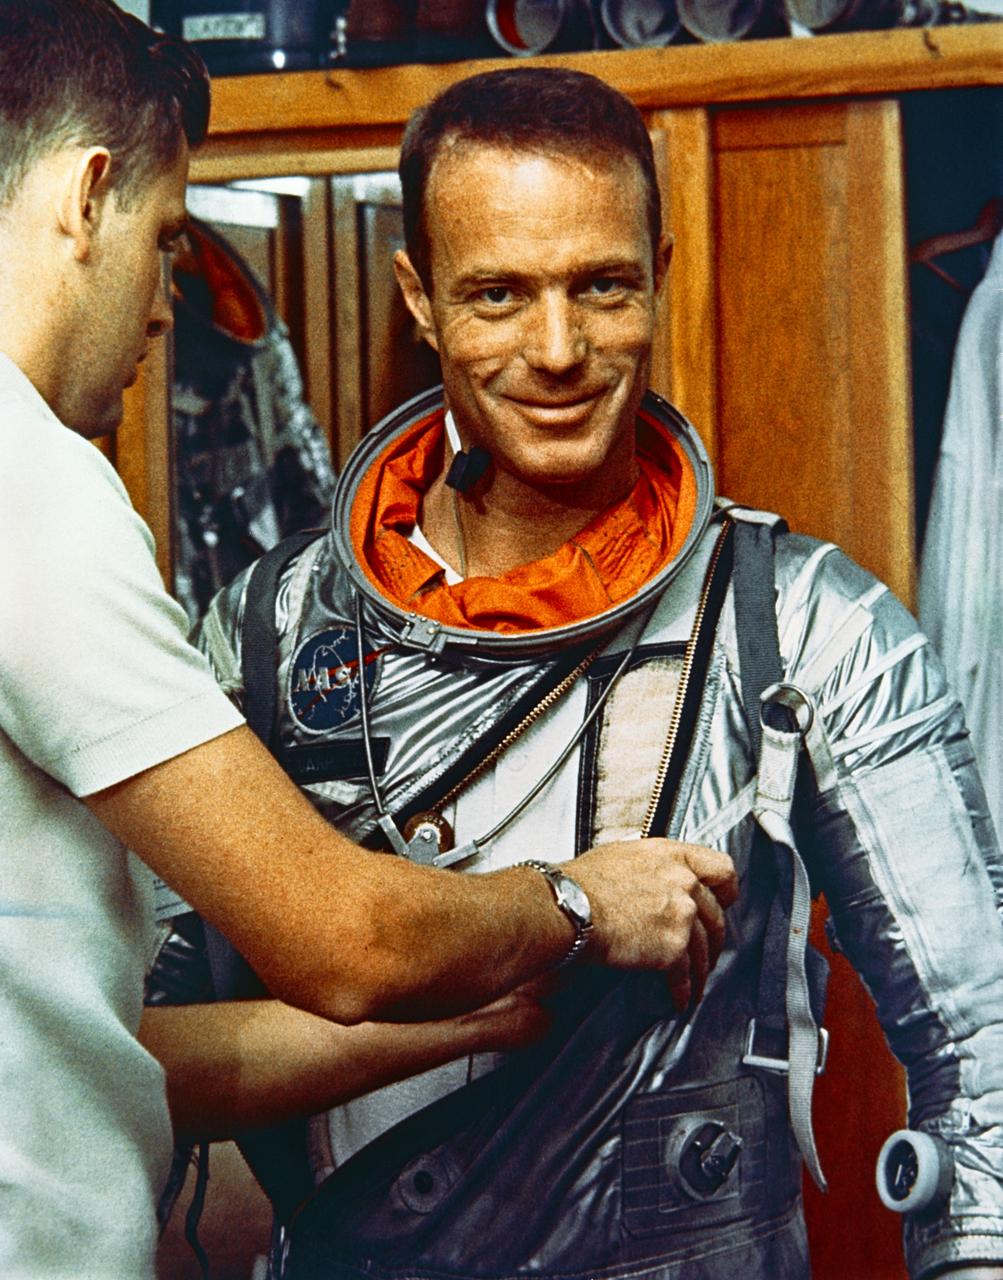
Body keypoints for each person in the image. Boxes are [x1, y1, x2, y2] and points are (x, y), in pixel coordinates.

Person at [175, 66, 1003, 1280]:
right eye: (497, 295)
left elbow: (980, 1031)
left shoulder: (808, 628)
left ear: (659, 271)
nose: (556, 350)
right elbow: (129, 1042)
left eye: (601, 285)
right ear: (416, 296)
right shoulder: (269, 636)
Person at [0, 9, 738, 1278]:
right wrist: (577, 899)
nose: (167, 309)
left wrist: (486, 1015)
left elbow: (118, 1044)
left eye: (602, 285)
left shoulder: (796, 612)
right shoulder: (37, 493)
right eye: (169, 241)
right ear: (90, 194)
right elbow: (348, 938)